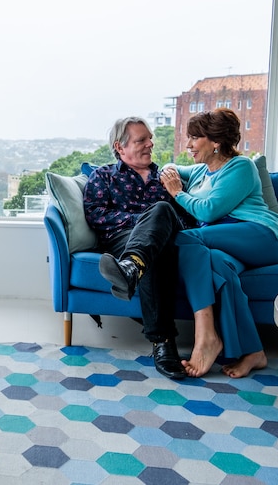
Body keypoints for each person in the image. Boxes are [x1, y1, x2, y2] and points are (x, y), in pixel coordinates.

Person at [160, 108, 278, 378]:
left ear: (215, 141)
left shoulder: (240, 167)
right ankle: (254, 352)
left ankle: (206, 336)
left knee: (183, 239)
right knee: (218, 267)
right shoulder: (201, 171)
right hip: (226, 244)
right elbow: (168, 168)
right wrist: (168, 172)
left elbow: (208, 211)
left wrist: (178, 193)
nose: (189, 145)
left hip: (258, 235)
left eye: (195, 138)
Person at [85, 117, 192, 380]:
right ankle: (163, 343)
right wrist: (142, 221)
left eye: (150, 138)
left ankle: (132, 268)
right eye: (141, 140)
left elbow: (189, 220)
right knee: (155, 245)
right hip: (121, 239)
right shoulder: (104, 176)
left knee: (163, 212)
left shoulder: (167, 179)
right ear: (120, 147)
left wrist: (172, 199)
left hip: (165, 241)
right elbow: (95, 214)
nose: (150, 144)